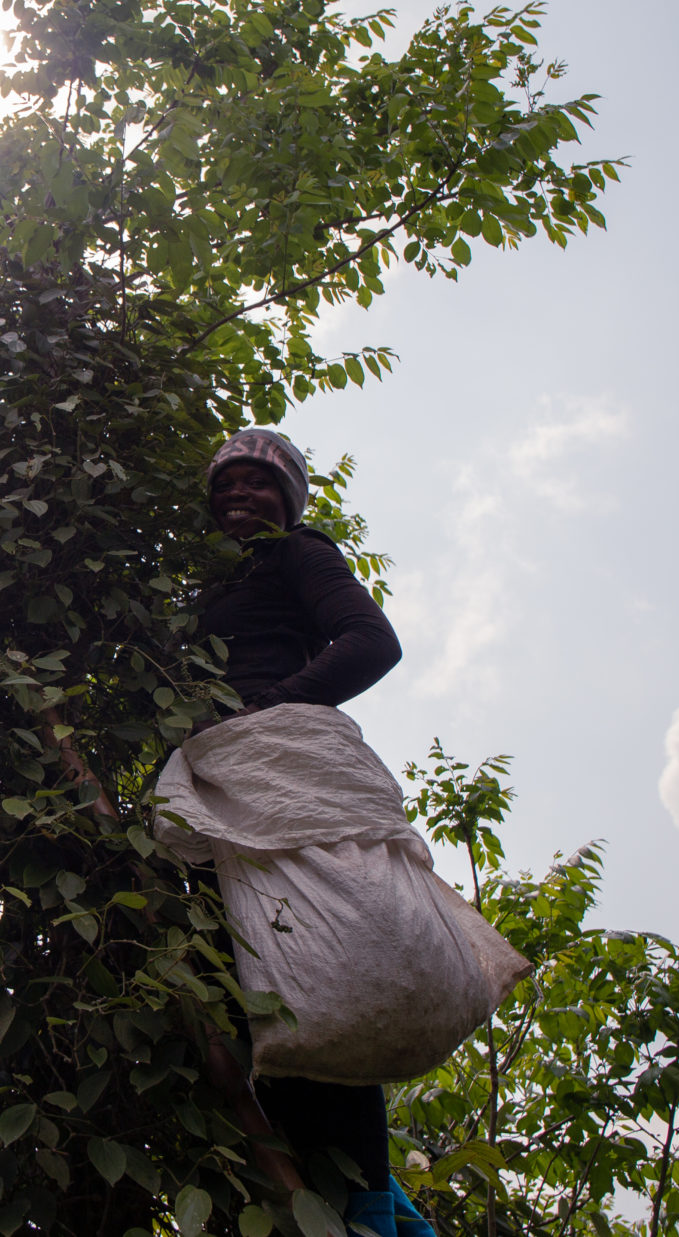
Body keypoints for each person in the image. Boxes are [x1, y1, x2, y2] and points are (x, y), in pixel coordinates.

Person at [191, 428, 425, 1237]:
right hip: (217, 783)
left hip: (278, 771)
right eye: (226, 484)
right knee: (246, 988)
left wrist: (269, 706)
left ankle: (371, 1211)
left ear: (289, 498)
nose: (238, 495)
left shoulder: (298, 552)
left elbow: (372, 641)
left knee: (309, 976)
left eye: (258, 482)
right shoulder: (210, 580)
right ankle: (373, 1200)